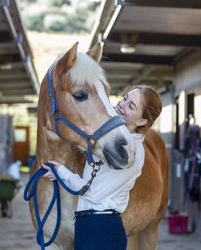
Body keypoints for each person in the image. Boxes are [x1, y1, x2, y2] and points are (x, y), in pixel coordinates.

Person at [41, 85, 162, 250]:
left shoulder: (130, 152)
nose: (122, 104)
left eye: (131, 106)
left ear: (142, 121)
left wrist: (62, 173)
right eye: (125, 98)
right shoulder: (109, 140)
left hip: (102, 228)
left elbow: (92, 192)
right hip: (87, 225)